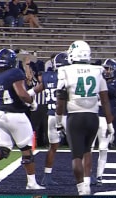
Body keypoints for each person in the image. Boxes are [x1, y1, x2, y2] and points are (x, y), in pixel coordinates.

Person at [0, 48, 44, 190]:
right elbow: (22, 94)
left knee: (3, 149)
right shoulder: (15, 73)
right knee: (27, 149)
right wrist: (32, 102)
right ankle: (31, 183)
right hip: (16, 115)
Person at [55, 40, 114, 195]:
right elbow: (105, 100)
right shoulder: (97, 70)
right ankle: (87, 183)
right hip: (93, 116)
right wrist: (109, 123)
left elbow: (60, 99)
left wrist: (59, 121)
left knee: (76, 156)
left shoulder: (65, 70)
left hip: (75, 116)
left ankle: (81, 188)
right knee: (88, 151)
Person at [32, 52, 69, 186]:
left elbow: (35, 90)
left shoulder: (47, 77)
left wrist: (27, 97)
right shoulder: (68, 75)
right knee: (79, 147)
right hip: (65, 115)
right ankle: (86, 176)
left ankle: (47, 176)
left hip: (51, 116)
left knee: (52, 147)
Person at [90, 58, 116, 186]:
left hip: (105, 119)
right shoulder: (95, 81)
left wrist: (100, 83)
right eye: (105, 68)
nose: (106, 71)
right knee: (89, 148)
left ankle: (99, 176)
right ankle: (88, 175)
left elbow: (113, 92)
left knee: (103, 148)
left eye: (108, 69)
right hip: (93, 116)